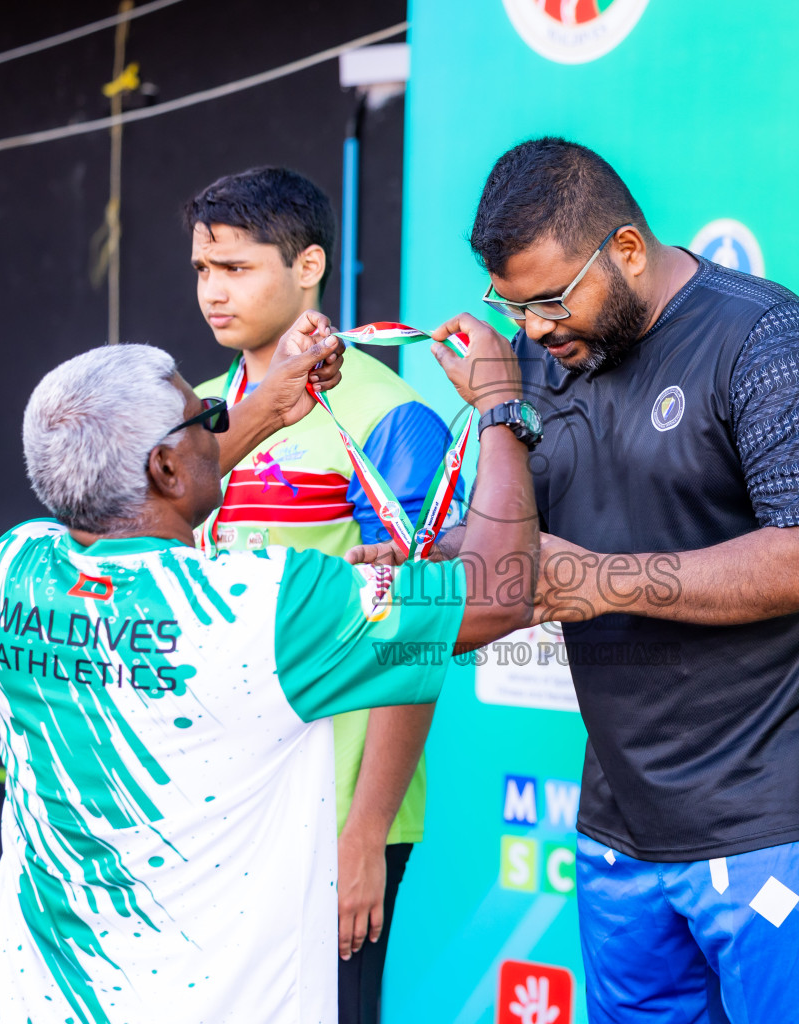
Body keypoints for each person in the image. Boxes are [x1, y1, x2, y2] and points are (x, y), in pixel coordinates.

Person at [356, 137, 799, 1024]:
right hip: (620, 821)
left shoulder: (772, 338)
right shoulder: (534, 368)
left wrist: (603, 579)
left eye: (554, 299)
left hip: (773, 816)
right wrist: (435, 565)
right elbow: (521, 565)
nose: (536, 330)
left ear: (627, 250)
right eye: (512, 308)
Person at [0, 312, 538, 1024]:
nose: (219, 424)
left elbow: (134, 492)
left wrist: (267, 401)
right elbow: (501, 591)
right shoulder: (260, 605)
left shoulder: (14, 569)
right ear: (166, 466)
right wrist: (501, 409)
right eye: (205, 417)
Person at [183, 166, 453, 1023]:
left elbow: (413, 635)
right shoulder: (190, 418)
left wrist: (367, 832)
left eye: (236, 268)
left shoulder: (392, 416)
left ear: (308, 267)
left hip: (335, 815)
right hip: (218, 806)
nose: (214, 293)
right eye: (201, 271)